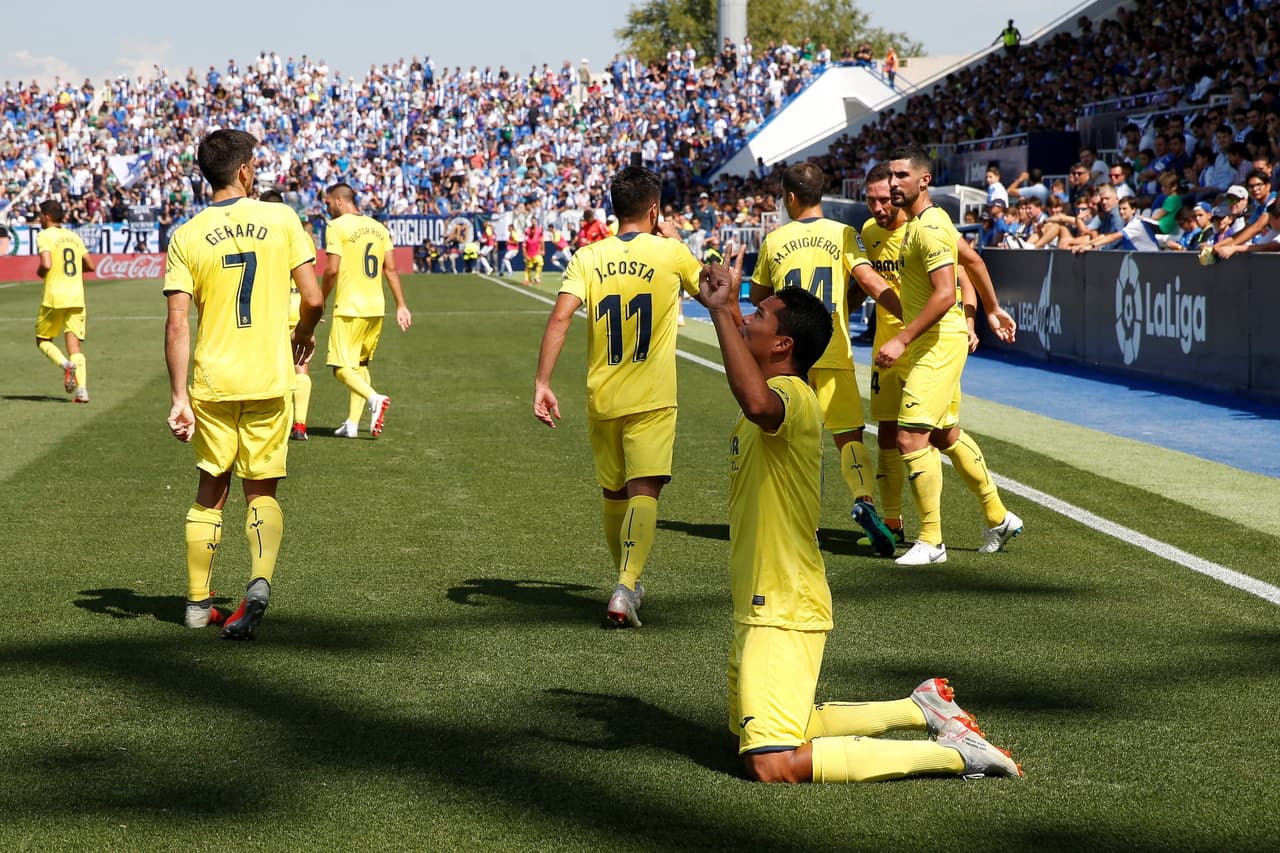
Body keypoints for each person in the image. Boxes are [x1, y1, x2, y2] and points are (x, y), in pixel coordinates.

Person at [699, 251, 1022, 784]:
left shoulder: (789, 396)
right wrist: (728, 305)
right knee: (762, 734)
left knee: (771, 762)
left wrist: (718, 312)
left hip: (782, 603)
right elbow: (749, 365)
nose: (744, 321)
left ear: (782, 345)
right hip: (764, 598)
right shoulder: (781, 385)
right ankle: (919, 711)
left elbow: (756, 403)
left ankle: (960, 754)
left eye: (756, 317)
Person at [163, 128, 324, 639]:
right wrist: (301, 333)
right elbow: (315, 299)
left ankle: (196, 604)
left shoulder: (186, 235)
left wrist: (177, 398)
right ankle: (257, 584)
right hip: (269, 376)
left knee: (211, 490)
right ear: (246, 170)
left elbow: (176, 323)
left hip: (212, 381)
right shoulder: (280, 218)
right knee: (262, 491)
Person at [533, 166, 704, 628]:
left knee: (613, 493)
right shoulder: (670, 252)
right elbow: (715, 291)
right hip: (652, 396)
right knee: (644, 490)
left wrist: (542, 384)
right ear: (654, 209)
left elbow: (560, 318)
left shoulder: (588, 256)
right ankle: (625, 586)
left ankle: (626, 581)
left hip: (602, 396)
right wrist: (678, 240)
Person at [875, 144, 1023, 566]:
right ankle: (999, 517)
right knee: (944, 435)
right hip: (938, 342)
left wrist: (902, 339)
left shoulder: (928, 228)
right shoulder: (931, 221)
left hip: (938, 344)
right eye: (890, 175)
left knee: (909, 437)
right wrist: (992, 309)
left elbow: (944, 295)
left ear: (924, 180)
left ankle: (931, 541)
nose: (893, 183)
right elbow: (972, 258)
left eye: (901, 176)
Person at [749, 162, 904, 556]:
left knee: (793, 439)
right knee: (848, 436)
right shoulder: (844, 233)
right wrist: (911, 316)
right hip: (832, 348)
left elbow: (758, 296)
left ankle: (803, 522)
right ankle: (865, 501)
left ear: (789, 197)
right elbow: (871, 282)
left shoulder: (775, 240)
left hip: (788, 356)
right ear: (822, 194)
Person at [321, 183, 411, 439]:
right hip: (376, 308)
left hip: (350, 307)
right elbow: (390, 269)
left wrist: (321, 298)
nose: (327, 209)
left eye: (328, 203)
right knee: (360, 365)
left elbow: (331, 269)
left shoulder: (337, 227)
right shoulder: (379, 228)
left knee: (340, 368)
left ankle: (375, 398)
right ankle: (352, 423)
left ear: (339, 200)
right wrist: (401, 305)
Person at [261, 188, 316, 441]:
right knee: (301, 365)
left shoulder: (259, 234)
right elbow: (307, 276)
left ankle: (277, 425)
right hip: (298, 303)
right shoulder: (301, 235)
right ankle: (300, 425)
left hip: (273, 306)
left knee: (273, 366)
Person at [34, 199, 96, 403]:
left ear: (47, 216)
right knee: (75, 347)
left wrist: (41, 271)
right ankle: (82, 390)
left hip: (54, 296)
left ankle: (65, 365)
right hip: (76, 296)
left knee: (43, 340)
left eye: (41, 215)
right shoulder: (73, 236)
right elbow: (90, 265)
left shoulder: (44, 235)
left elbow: (46, 263)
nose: (39, 218)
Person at [523, 219, 545, 285]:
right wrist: (525, 255)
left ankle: (537, 277)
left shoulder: (539, 231)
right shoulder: (527, 235)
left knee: (540, 262)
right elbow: (523, 246)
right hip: (529, 254)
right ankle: (528, 280)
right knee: (529, 267)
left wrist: (543, 250)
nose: (533, 223)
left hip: (536, 253)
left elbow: (542, 241)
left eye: (534, 221)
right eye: (532, 221)